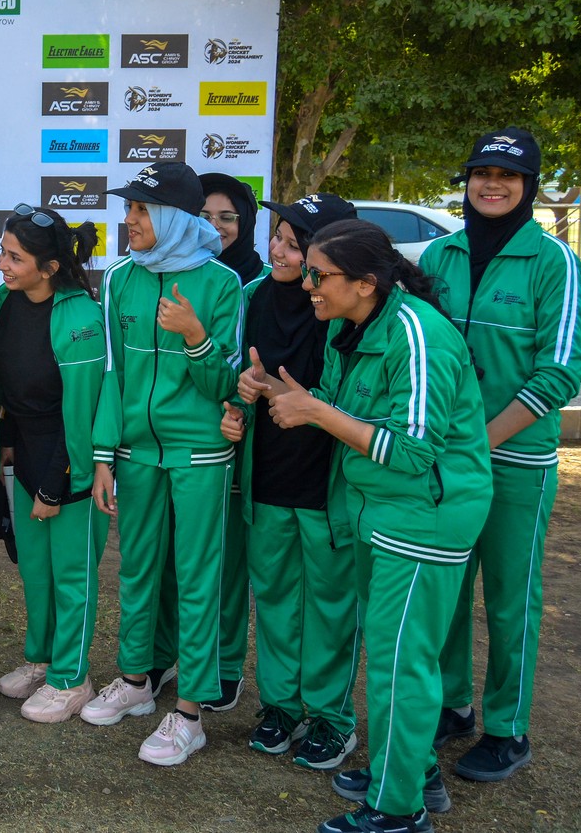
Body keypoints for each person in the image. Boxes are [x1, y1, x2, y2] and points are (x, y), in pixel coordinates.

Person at [249, 218, 492, 833]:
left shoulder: (418, 335)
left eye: (318, 274)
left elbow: (413, 451)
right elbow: (341, 410)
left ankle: (398, 808)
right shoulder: (350, 328)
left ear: (365, 282)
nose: (307, 284)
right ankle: (410, 770)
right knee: (394, 655)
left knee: (399, 663)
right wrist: (284, 394)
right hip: (378, 511)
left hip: (425, 518)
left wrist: (315, 411)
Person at [425, 128, 581, 782]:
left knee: (510, 597)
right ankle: (451, 704)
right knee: (445, 588)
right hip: (444, 459)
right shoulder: (439, 253)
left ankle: (507, 727)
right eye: (482, 173)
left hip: (516, 462)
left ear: (530, 186)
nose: (492, 184)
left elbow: (562, 370)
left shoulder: (553, 260)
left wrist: (481, 439)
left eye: (508, 176)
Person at [80, 161, 242, 766]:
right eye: (129, 208)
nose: (129, 220)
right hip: (136, 453)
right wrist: (104, 456)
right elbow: (112, 374)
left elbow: (228, 385)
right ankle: (137, 680)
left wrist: (196, 336)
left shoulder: (222, 283)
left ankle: (190, 713)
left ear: (173, 217)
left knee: (197, 579)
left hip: (201, 453)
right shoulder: (120, 277)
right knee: (137, 570)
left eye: (141, 209)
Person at [227, 193, 363, 769]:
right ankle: (280, 707)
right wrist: (240, 396)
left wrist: (284, 394)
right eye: (277, 237)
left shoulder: (348, 311)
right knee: (276, 600)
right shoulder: (253, 295)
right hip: (267, 478)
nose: (279, 251)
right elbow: (238, 375)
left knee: (330, 606)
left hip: (327, 486)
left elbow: (347, 398)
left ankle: (332, 718)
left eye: (294, 244)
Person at [0, 206, 120, 723]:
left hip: (69, 463)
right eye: (3, 252)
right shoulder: (6, 300)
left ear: (49, 268)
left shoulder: (80, 316)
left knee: (71, 575)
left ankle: (71, 677)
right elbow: (4, 386)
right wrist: (6, 446)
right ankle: (41, 660)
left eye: (14, 257)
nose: (2, 264)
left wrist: (54, 485)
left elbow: (80, 415)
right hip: (25, 452)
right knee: (35, 571)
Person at [197, 172, 265, 712]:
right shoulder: (182, 277)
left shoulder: (264, 283)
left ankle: (224, 665)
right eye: (203, 216)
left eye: (227, 217)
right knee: (189, 562)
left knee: (231, 563)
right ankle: (182, 656)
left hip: (246, 443)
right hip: (190, 444)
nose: (215, 227)